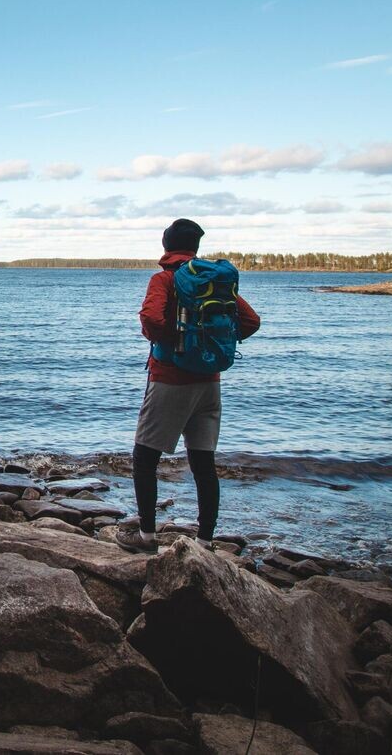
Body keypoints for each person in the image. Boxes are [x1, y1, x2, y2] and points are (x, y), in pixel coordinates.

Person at [116, 218, 261, 554]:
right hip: (210, 383)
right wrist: (213, 343)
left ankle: (147, 538)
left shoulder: (166, 279)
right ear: (195, 247)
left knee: (144, 457)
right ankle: (205, 541)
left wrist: (175, 342)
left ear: (166, 245)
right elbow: (251, 322)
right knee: (203, 462)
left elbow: (152, 318)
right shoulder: (212, 282)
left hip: (171, 379)